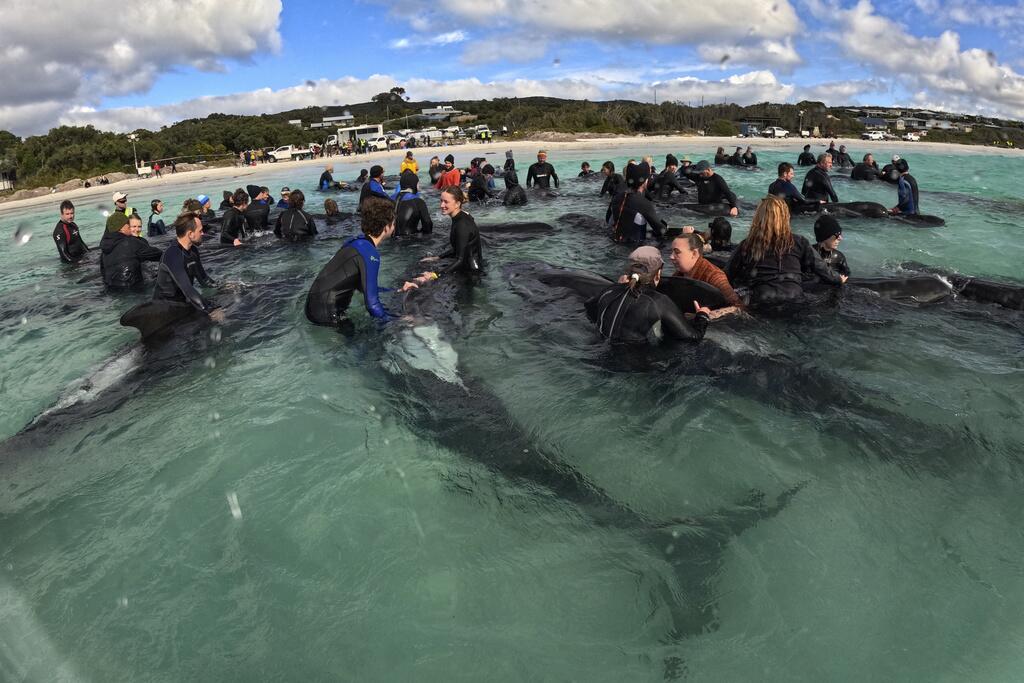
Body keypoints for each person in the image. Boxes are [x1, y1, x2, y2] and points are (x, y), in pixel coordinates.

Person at [305, 198, 420, 325]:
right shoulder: (370, 253)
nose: (394, 227)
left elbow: (364, 287)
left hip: (313, 307)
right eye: (393, 223)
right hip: (326, 314)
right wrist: (401, 320)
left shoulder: (355, 242)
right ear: (386, 227)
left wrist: (397, 290)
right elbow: (372, 306)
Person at [725, 195, 846, 307]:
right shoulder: (799, 241)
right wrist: (838, 279)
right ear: (785, 217)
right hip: (794, 297)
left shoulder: (747, 244)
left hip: (762, 300)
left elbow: (726, 275)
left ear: (758, 218)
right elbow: (821, 268)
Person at [584, 246, 711, 343]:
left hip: (600, 353)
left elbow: (589, 308)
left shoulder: (609, 291)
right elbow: (693, 338)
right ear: (658, 274)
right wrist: (702, 316)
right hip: (634, 368)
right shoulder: (659, 302)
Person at [153, 211, 220, 317]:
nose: (203, 233)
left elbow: (204, 280)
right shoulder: (173, 254)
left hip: (183, 304)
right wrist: (210, 310)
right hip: (165, 310)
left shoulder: (193, 251)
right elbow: (187, 289)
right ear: (190, 234)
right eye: (200, 230)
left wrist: (225, 287)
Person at [420, 187, 483, 277]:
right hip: (469, 266)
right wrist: (438, 257)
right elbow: (460, 248)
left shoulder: (462, 225)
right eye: (441, 201)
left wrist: (435, 275)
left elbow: (460, 260)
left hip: (472, 273)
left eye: (446, 202)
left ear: (457, 203)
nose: (441, 205)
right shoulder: (463, 216)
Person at [669, 233, 743, 309]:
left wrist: (708, 314)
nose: (671, 256)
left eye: (677, 252)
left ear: (694, 253)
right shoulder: (678, 274)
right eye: (672, 252)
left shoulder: (714, 276)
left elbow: (738, 307)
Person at [608, 162, 667, 244]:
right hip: (634, 249)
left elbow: (608, 220)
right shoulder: (644, 203)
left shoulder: (616, 198)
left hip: (614, 243)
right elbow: (661, 231)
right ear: (645, 181)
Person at [100, 214, 162, 289]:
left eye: (139, 226)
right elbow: (159, 254)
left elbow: (103, 274)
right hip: (133, 289)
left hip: (112, 290)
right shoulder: (131, 242)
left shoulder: (105, 250)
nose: (136, 229)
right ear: (123, 228)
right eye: (131, 226)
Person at [393, 171, 434, 235]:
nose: (419, 186)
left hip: (391, 239)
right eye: (418, 183)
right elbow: (427, 223)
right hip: (411, 241)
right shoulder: (418, 202)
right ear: (414, 184)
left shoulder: (388, 199)